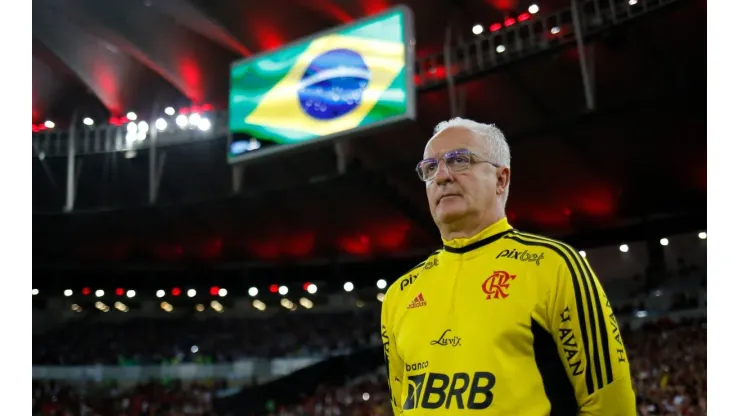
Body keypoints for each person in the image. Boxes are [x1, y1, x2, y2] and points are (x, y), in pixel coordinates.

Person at [380, 118, 635, 415]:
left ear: (501, 179)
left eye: (459, 160)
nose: (442, 176)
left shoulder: (553, 266)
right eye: (430, 167)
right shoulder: (399, 294)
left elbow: (611, 405)